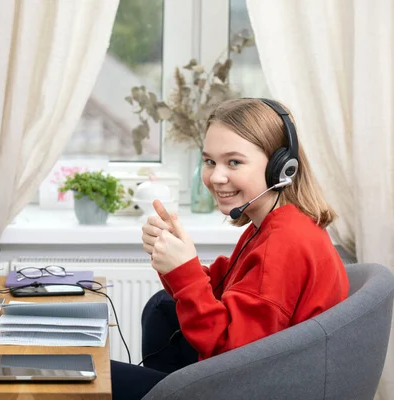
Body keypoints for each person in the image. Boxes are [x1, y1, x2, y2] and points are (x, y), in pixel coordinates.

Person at [110, 98, 350, 400]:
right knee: (162, 306)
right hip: (261, 376)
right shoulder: (274, 225)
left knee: (87, 377)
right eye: (210, 161)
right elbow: (223, 288)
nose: (216, 177)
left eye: (233, 162)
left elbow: (230, 353)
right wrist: (173, 259)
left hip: (255, 386)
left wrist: (182, 269)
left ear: (281, 168)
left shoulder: (284, 244)